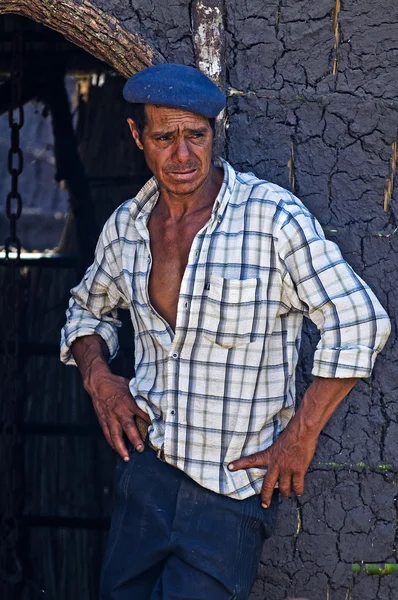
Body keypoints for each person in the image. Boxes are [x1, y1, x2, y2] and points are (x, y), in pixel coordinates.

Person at [60, 64, 390, 599]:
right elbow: (85, 312)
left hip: (229, 495)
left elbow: (360, 320)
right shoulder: (126, 227)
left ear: (215, 132)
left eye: (197, 135)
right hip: (144, 478)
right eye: (165, 137)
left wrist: (298, 440)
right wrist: (100, 380)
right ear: (136, 136)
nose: (184, 155)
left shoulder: (270, 218)